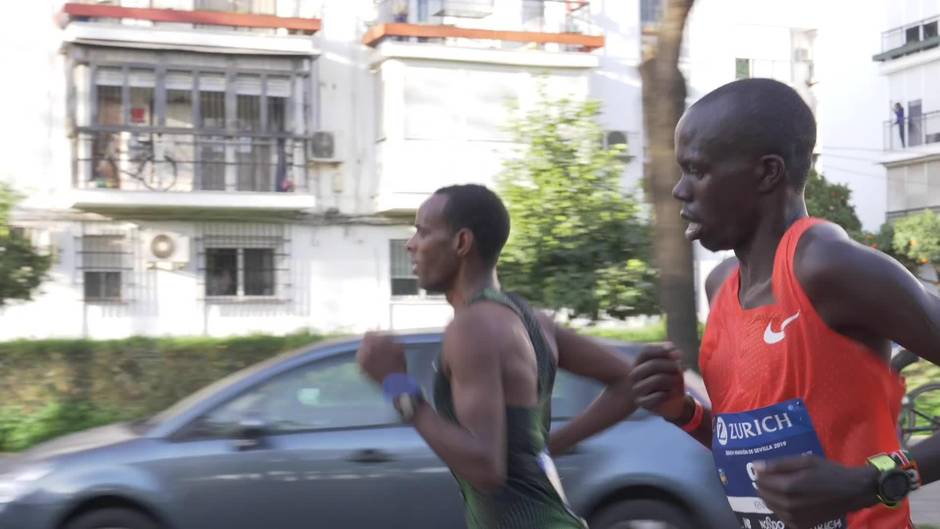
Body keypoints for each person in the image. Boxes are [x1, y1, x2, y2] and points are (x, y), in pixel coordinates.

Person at [630, 78, 939, 529]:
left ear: (767, 172)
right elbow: (759, 457)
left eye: (696, 170)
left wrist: (870, 482)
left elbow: (854, 483)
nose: (679, 190)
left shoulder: (829, 267)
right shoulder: (720, 288)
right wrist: (685, 412)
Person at [357, 184, 651, 529]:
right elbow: (634, 382)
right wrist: (545, 447)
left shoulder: (472, 327)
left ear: (461, 243)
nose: (411, 244)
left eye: (423, 231)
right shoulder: (532, 321)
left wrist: (399, 387)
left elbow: (485, 467)